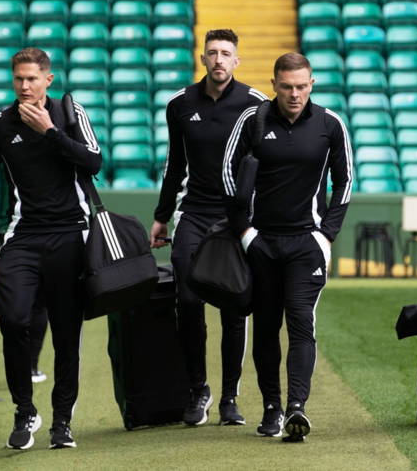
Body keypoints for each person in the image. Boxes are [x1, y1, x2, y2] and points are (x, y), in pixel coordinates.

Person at [0, 48, 102, 450]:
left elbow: (94, 162)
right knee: (14, 317)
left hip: (72, 233)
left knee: (65, 333)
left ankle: (62, 421)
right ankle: (25, 411)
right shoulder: (0, 126)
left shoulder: (71, 114)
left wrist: (51, 133)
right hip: (23, 236)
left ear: (48, 80)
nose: (25, 86)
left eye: (32, 79)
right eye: (18, 79)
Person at [222, 53, 353, 441]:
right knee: (264, 328)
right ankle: (271, 407)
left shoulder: (330, 124)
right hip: (261, 243)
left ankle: (297, 407)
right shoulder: (253, 119)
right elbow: (228, 176)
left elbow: (344, 181)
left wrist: (326, 233)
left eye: (301, 86)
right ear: (275, 84)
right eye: (287, 86)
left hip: (306, 245)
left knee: (300, 321)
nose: (294, 94)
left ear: (312, 84)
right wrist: (246, 233)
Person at [150, 29, 266, 427]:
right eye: (212, 53)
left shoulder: (256, 104)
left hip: (237, 219)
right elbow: (174, 164)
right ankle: (199, 390)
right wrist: (163, 215)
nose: (219, 59)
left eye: (226, 54)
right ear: (202, 59)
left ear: (237, 61)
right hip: (194, 215)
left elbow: (267, 166)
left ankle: (230, 398)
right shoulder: (180, 104)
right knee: (189, 300)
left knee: (235, 306)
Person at [0, 167, 48, 384]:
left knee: (14, 308)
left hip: (9, 234)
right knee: (40, 305)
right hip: (48, 233)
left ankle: (21, 370)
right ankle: (31, 367)